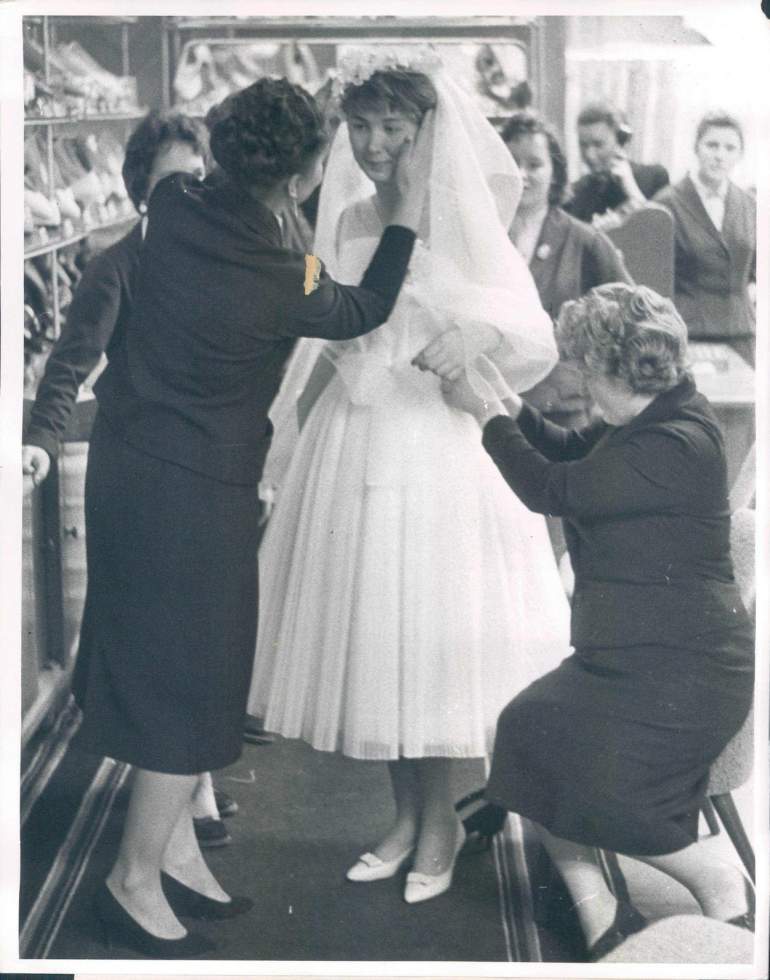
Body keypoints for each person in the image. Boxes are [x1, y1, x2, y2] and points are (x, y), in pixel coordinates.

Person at [71, 76, 429, 957]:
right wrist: (406, 217)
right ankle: (131, 881)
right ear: (302, 179)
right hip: (194, 492)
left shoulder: (172, 208)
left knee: (157, 665)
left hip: (125, 470)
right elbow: (363, 307)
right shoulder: (281, 274)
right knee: (191, 684)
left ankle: (175, 853)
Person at [248, 49, 570, 906]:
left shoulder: (464, 217)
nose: (375, 142)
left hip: (437, 445)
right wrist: (287, 421)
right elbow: (322, 320)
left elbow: (531, 331)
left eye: (393, 125)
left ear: (428, 129)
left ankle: (442, 825)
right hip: (356, 439)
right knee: (376, 641)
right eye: (361, 125)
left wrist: (476, 339)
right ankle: (403, 818)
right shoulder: (347, 215)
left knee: (428, 644)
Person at [441, 283, 754, 959]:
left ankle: (719, 880)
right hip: (635, 656)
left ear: (616, 370)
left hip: (686, 671)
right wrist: (508, 404)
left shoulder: (672, 442)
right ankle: (601, 913)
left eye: (585, 370)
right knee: (525, 733)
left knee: (603, 792)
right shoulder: (650, 414)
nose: (579, 383)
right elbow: (566, 450)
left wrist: (484, 417)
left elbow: (551, 489)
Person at [21, 110, 240, 850]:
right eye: (171, 182)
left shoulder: (224, 260)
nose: (189, 195)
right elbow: (67, 367)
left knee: (198, 636)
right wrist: (41, 442)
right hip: (139, 478)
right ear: (141, 189)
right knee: (162, 642)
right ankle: (187, 792)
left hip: (206, 472)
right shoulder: (113, 267)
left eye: (199, 179)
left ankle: (190, 777)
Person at [502, 110, 633, 428]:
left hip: (561, 411)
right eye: (511, 163)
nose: (521, 174)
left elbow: (632, 311)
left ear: (555, 173)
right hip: (492, 406)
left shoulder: (584, 240)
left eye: (534, 164)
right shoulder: (483, 235)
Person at [654, 111, 756, 365]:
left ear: (740, 154)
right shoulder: (666, 203)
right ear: (696, 148)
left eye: (730, 148)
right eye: (712, 145)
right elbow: (655, 280)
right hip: (688, 334)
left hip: (741, 335)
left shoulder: (751, 206)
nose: (720, 155)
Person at [565, 102, 669, 228]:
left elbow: (662, 232)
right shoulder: (576, 193)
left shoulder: (654, 178)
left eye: (598, 145)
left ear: (620, 141)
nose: (589, 155)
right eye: (583, 145)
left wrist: (632, 191)